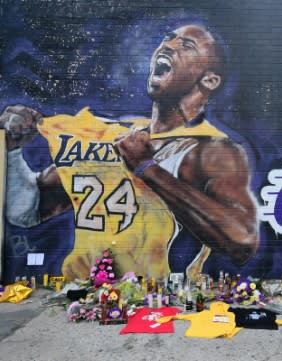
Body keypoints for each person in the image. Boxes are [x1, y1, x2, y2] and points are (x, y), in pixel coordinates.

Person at [0, 24, 259, 282]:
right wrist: (12, 150)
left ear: (209, 80)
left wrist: (148, 169)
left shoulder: (211, 149)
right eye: (169, 38)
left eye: (187, 46)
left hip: (158, 300)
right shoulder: (113, 135)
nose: (169, 45)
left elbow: (241, 244)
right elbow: (27, 211)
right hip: (90, 295)